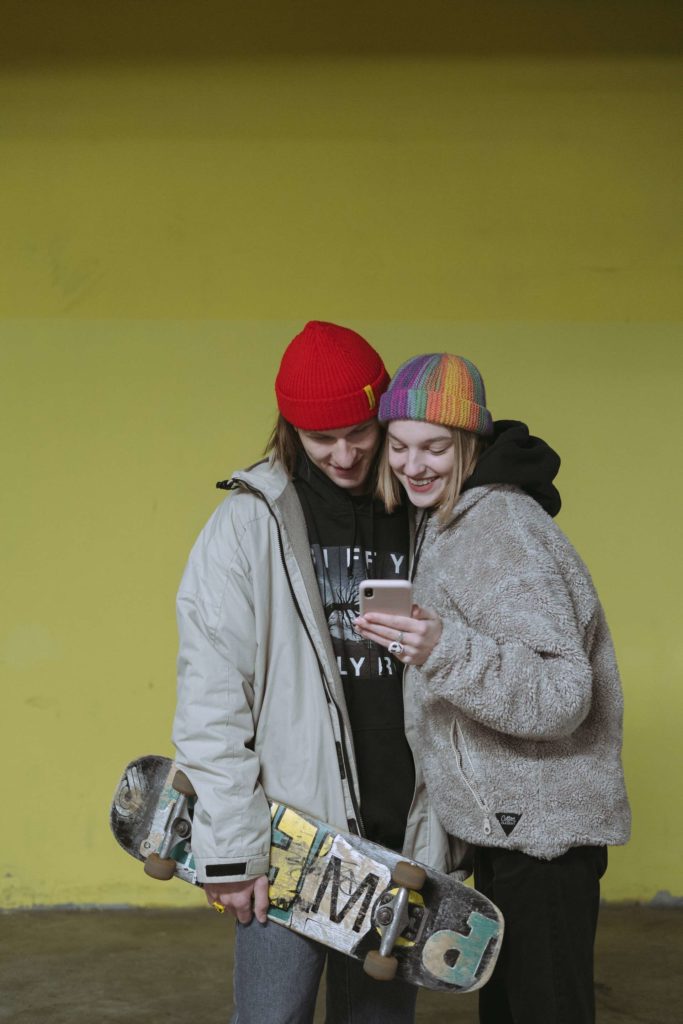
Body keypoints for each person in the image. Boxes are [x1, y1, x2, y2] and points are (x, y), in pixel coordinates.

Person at [172, 324, 467, 1024]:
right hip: (287, 838)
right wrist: (233, 853)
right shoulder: (247, 526)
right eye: (319, 437)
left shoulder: (430, 510)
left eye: (359, 432)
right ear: (289, 430)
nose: (343, 454)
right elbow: (212, 699)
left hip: (400, 835)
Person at [355, 353, 631, 1024]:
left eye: (434, 447)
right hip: (513, 833)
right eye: (399, 446)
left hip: (544, 841)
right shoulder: (452, 519)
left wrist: (441, 649)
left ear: (468, 443)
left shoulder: (501, 527)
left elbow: (562, 692)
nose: (413, 465)